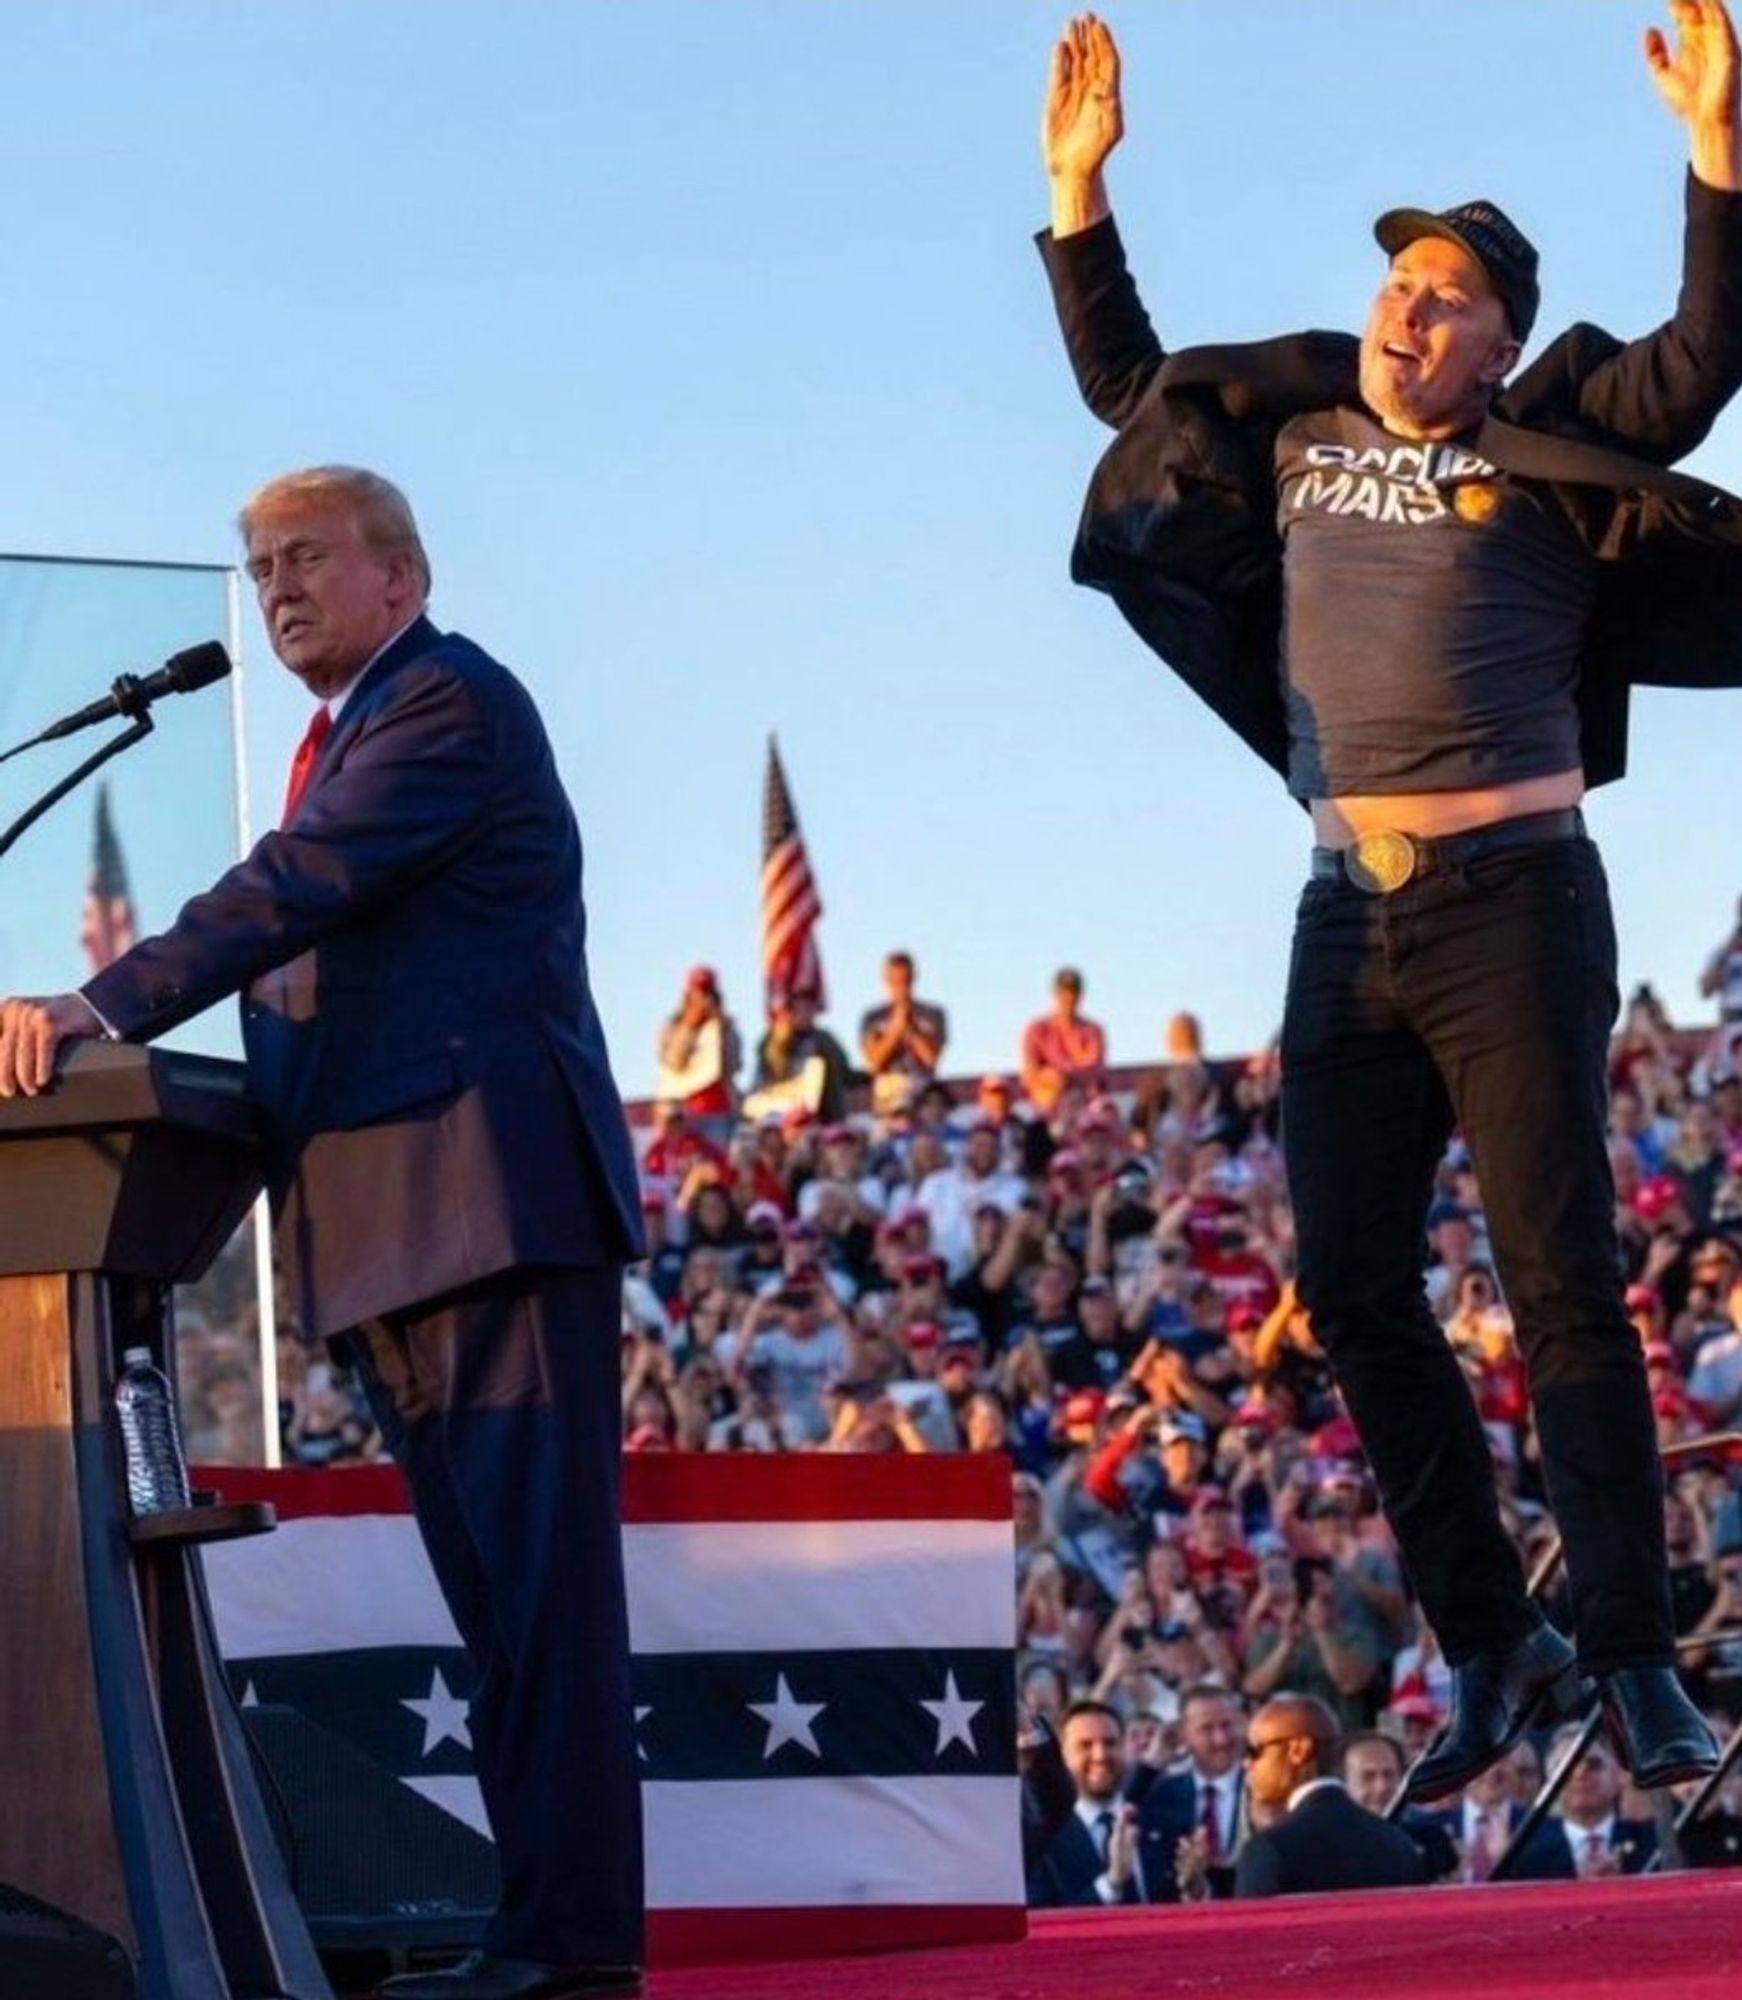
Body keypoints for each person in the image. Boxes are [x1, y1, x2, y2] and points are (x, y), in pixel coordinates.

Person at [1037, 7, 1742, 1799]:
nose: (1405, 311)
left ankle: (1636, 1659)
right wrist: (1075, 192)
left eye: (1445, 296)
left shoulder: (1541, 435)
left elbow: (1699, 362)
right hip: (1344, 909)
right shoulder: (1293, 433)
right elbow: (1133, 388)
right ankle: (1492, 1644)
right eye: (1397, 286)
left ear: (1500, 340)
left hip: (1517, 898)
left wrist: (1718, 154)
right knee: (1348, 1285)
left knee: (1561, 1278)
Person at [0, 466, 645, 2000]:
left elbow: (301, 887)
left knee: (539, 1602)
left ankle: (573, 1950)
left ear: (399, 580)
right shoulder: (347, 734)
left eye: (305, 558)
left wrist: (99, 1007)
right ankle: (539, 1936)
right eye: (259, 565)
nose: (276, 586)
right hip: (398, 1219)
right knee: (497, 1606)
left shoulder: (444, 706)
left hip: (484, 1203)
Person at [1233, 1694, 1426, 1897]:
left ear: (1298, 1750)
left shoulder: (1270, 1850)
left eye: (1255, 1751)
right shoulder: (1397, 1843)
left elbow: (1253, 1928)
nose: (1247, 1763)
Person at [1025, 1699, 1142, 1906]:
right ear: (1063, 1755)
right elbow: (1046, 1923)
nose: (1100, 1756)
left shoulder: (1162, 1816)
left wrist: (1196, 1889)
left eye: (1110, 1743)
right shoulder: (1043, 1839)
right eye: (1085, 1745)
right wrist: (1112, 1883)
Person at [859, 949, 949, 1116]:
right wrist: (894, 1030)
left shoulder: (934, 1013)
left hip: (922, 1089)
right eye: (895, 981)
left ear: (914, 977)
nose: (901, 987)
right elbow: (874, 1063)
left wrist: (911, 1031)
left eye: (905, 980)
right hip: (889, 1091)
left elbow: (932, 1059)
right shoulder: (872, 1017)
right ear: (886, 979)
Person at [1020, 966, 1107, 1114]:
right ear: (1055, 994)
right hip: (1048, 1103)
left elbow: (1093, 1069)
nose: (1069, 998)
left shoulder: (1093, 1030)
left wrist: (1064, 1074)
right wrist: (1054, 1078)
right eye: (1064, 992)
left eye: (1074, 992)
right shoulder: (1037, 1029)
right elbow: (1031, 1072)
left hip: (1083, 1104)